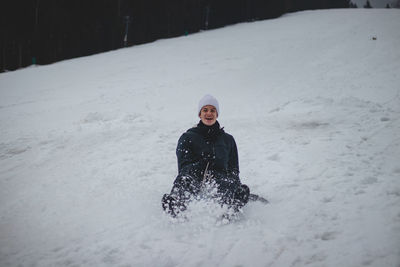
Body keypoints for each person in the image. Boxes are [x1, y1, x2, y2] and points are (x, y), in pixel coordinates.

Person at [162, 94, 250, 217]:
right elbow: (183, 168)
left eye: (213, 110)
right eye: (205, 110)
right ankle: (176, 206)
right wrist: (202, 163)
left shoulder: (228, 140)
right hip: (195, 178)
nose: (209, 113)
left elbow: (233, 169)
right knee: (184, 180)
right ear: (200, 114)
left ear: (217, 114)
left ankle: (230, 207)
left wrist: (235, 185)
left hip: (219, 180)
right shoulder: (187, 137)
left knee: (228, 183)